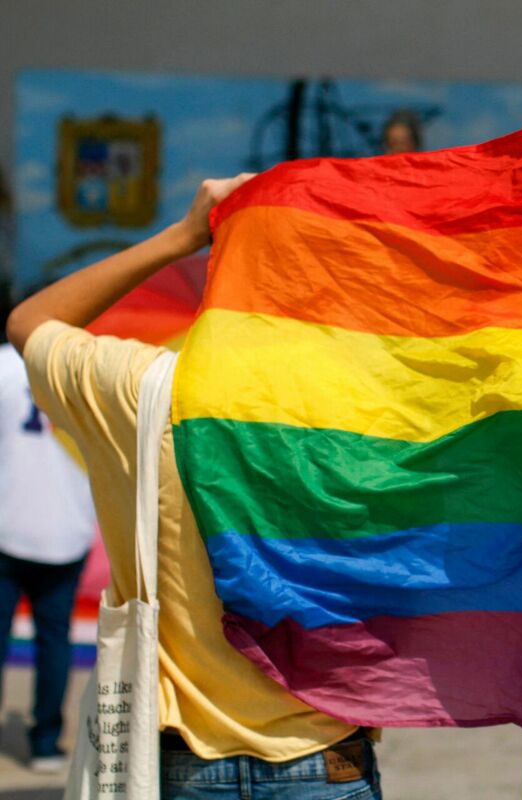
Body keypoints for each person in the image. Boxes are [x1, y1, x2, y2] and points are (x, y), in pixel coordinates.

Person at [6, 177, 383, 798]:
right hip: (325, 758)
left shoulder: (137, 388)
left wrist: (180, 235)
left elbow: (31, 321)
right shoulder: (366, 406)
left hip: (182, 761)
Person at [0, 332, 95, 773]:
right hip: (68, 526)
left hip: (7, 520)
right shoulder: (88, 369)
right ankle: (45, 742)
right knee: (54, 638)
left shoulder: (5, 365)